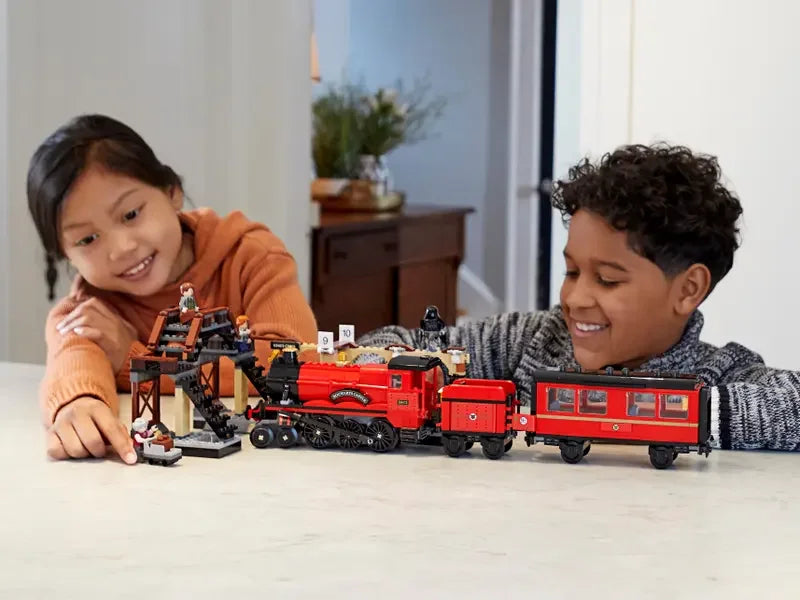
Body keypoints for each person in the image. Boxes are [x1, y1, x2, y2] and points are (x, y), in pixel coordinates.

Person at [356, 143, 800, 452]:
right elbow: (399, 344)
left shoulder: (720, 373)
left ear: (688, 289)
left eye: (607, 280)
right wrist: (384, 366)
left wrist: (684, 414)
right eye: (571, 272)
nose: (575, 297)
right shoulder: (532, 339)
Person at [29, 114, 318, 464]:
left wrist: (134, 358)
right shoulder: (90, 310)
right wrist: (78, 404)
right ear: (65, 255)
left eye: (131, 214)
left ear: (172, 192)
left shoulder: (252, 256)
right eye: (88, 239)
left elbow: (295, 363)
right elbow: (74, 360)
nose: (121, 249)